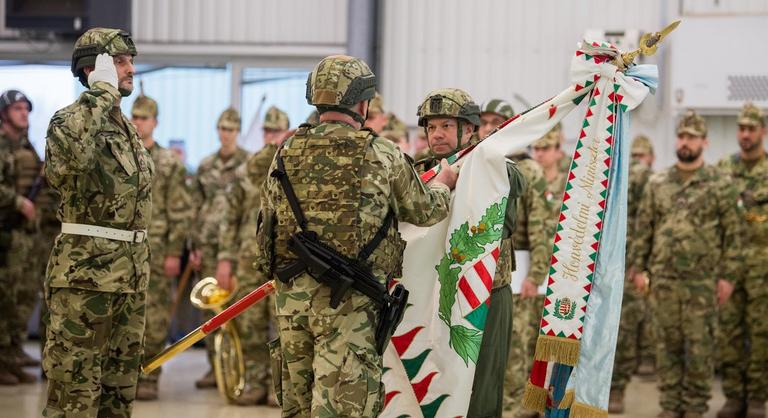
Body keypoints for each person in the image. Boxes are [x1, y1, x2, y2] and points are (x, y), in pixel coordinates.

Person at [255, 54, 456, 417]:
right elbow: (424, 211)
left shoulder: (285, 151)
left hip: (291, 303)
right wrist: (442, 184)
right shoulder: (381, 154)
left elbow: (268, 220)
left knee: (298, 406)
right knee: (343, 406)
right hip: (348, 306)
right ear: (362, 102)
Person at [43, 27, 153, 417]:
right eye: (121, 61)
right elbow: (70, 164)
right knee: (75, 392)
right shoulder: (69, 120)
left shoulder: (128, 131)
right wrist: (101, 93)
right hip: (85, 279)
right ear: (96, 68)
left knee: (118, 394)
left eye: (131, 62)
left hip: (129, 277)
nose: (131, 70)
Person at [416, 89, 525, 418]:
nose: (437, 134)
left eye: (447, 125)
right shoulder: (417, 171)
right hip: (434, 294)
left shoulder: (494, 165)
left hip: (486, 293)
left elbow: (505, 211)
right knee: (433, 382)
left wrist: (462, 176)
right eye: (431, 127)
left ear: (469, 129)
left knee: (482, 388)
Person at [629, 110, 742, 418]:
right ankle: (669, 407)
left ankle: (694, 408)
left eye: (692, 137)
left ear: (704, 142)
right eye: (681, 136)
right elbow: (644, 229)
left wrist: (729, 278)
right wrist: (638, 269)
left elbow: (733, 235)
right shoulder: (658, 182)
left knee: (700, 351)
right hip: (664, 283)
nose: (685, 142)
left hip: (702, 285)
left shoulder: (720, 184)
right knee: (666, 349)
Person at [477, 99, 549, 417]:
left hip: (516, 270)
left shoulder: (529, 170)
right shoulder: (475, 163)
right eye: (484, 121)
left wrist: (537, 274)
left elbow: (540, 227)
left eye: (498, 120)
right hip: (479, 269)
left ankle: (514, 408)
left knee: (514, 345)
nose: (489, 127)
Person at [216, 105, 291, 406]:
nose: (271, 136)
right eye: (267, 131)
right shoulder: (249, 169)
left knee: (282, 326)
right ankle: (256, 381)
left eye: (277, 131)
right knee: (249, 325)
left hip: (282, 261)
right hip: (249, 260)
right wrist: (225, 259)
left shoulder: (292, 168)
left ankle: (277, 387)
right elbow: (229, 217)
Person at [130, 94, 193, 400]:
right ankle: (125, 374)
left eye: (144, 118)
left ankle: (150, 374)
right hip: (125, 252)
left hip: (156, 250)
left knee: (154, 316)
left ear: (155, 122)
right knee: (126, 314)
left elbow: (180, 211)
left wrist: (173, 253)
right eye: (135, 117)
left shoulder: (169, 162)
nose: (138, 122)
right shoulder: (124, 155)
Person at [189, 107, 250, 388]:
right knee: (208, 310)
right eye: (222, 129)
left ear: (238, 132)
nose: (226, 134)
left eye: (231, 129)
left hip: (236, 249)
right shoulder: (205, 165)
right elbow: (194, 206)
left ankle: (238, 370)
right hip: (208, 245)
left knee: (238, 310)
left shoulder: (248, 164)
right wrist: (193, 245)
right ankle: (215, 369)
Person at [716, 103, 768, 418]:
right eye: (741, 129)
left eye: (751, 129)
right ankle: (734, 397)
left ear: (762, 132)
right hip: (730, 269)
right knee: (730, 333)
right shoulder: (722, 168)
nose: (745, 135)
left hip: (763, 269)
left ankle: (758, 399)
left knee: (762, 333)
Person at [608, 134, 656, 413]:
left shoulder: (642, 178)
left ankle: (617, 387)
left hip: (628, 264)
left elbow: (647, 225)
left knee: (626, 327)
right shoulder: (602, 170)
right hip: (602, 262)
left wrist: (638, 263)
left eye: (641, 156)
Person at [0, 89, 39, 385]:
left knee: (22, 297)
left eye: (26, 109)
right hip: (6, 232)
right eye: (17, 109)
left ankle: (13, 352)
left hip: (25, 238)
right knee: (5, 299)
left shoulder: (27, 147)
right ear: (4, 114)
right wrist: (17, 203)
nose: (24, 113)